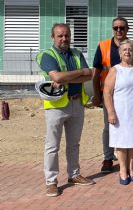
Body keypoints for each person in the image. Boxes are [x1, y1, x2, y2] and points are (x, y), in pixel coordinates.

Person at [36, 23, 95, 197]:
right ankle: (51, 181)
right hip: (56, 107)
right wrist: (80, 72)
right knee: (52, 146)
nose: (64, 39)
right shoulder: (46, 55)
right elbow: (56, 76)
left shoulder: (76, 53)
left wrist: (68, 77)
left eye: (67, 35)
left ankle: (74, 175)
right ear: (53, 37)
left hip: (77, 104)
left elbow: (89, 75)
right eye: (60, 36)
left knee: (74, 144)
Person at [92, 17, 133, 174]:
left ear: (127, 29)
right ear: (112, 29)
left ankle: (129, 163)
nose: (119, 30)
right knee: (110, 127)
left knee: (131, 128)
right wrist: (97, 94)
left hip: (132, 98)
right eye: (115, 28)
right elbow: (96, 73)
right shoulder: (103, 46)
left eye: (122, 28)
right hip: (110, 95)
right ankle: (108, 157)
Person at [102, 39, 133, 185]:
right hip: (120, 112)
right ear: (119, 53)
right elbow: (107, 92)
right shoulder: (115, 70)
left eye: (130, 49)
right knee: (122, 142)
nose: (128, 52)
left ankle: (131, 169)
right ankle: (122, 171)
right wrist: (111, 112)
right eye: (124, 50)